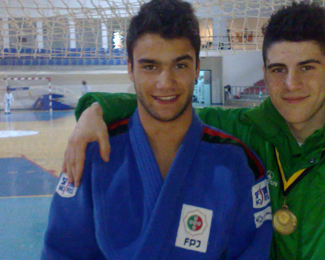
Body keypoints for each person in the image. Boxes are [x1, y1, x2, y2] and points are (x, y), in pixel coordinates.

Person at [61, 2, 325, 259]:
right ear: (264, 72)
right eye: (278, 70)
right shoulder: (248, 131)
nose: (291, 85)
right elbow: (171, 104)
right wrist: (94, 109)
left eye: (307, 68)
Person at [41, 0, 272, 259]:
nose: (166, 83)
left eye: (180, 65)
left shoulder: (236, 164)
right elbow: (62, 251)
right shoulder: (93, 156)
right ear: (130, 68)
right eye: (150, 66)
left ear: (197, 67)